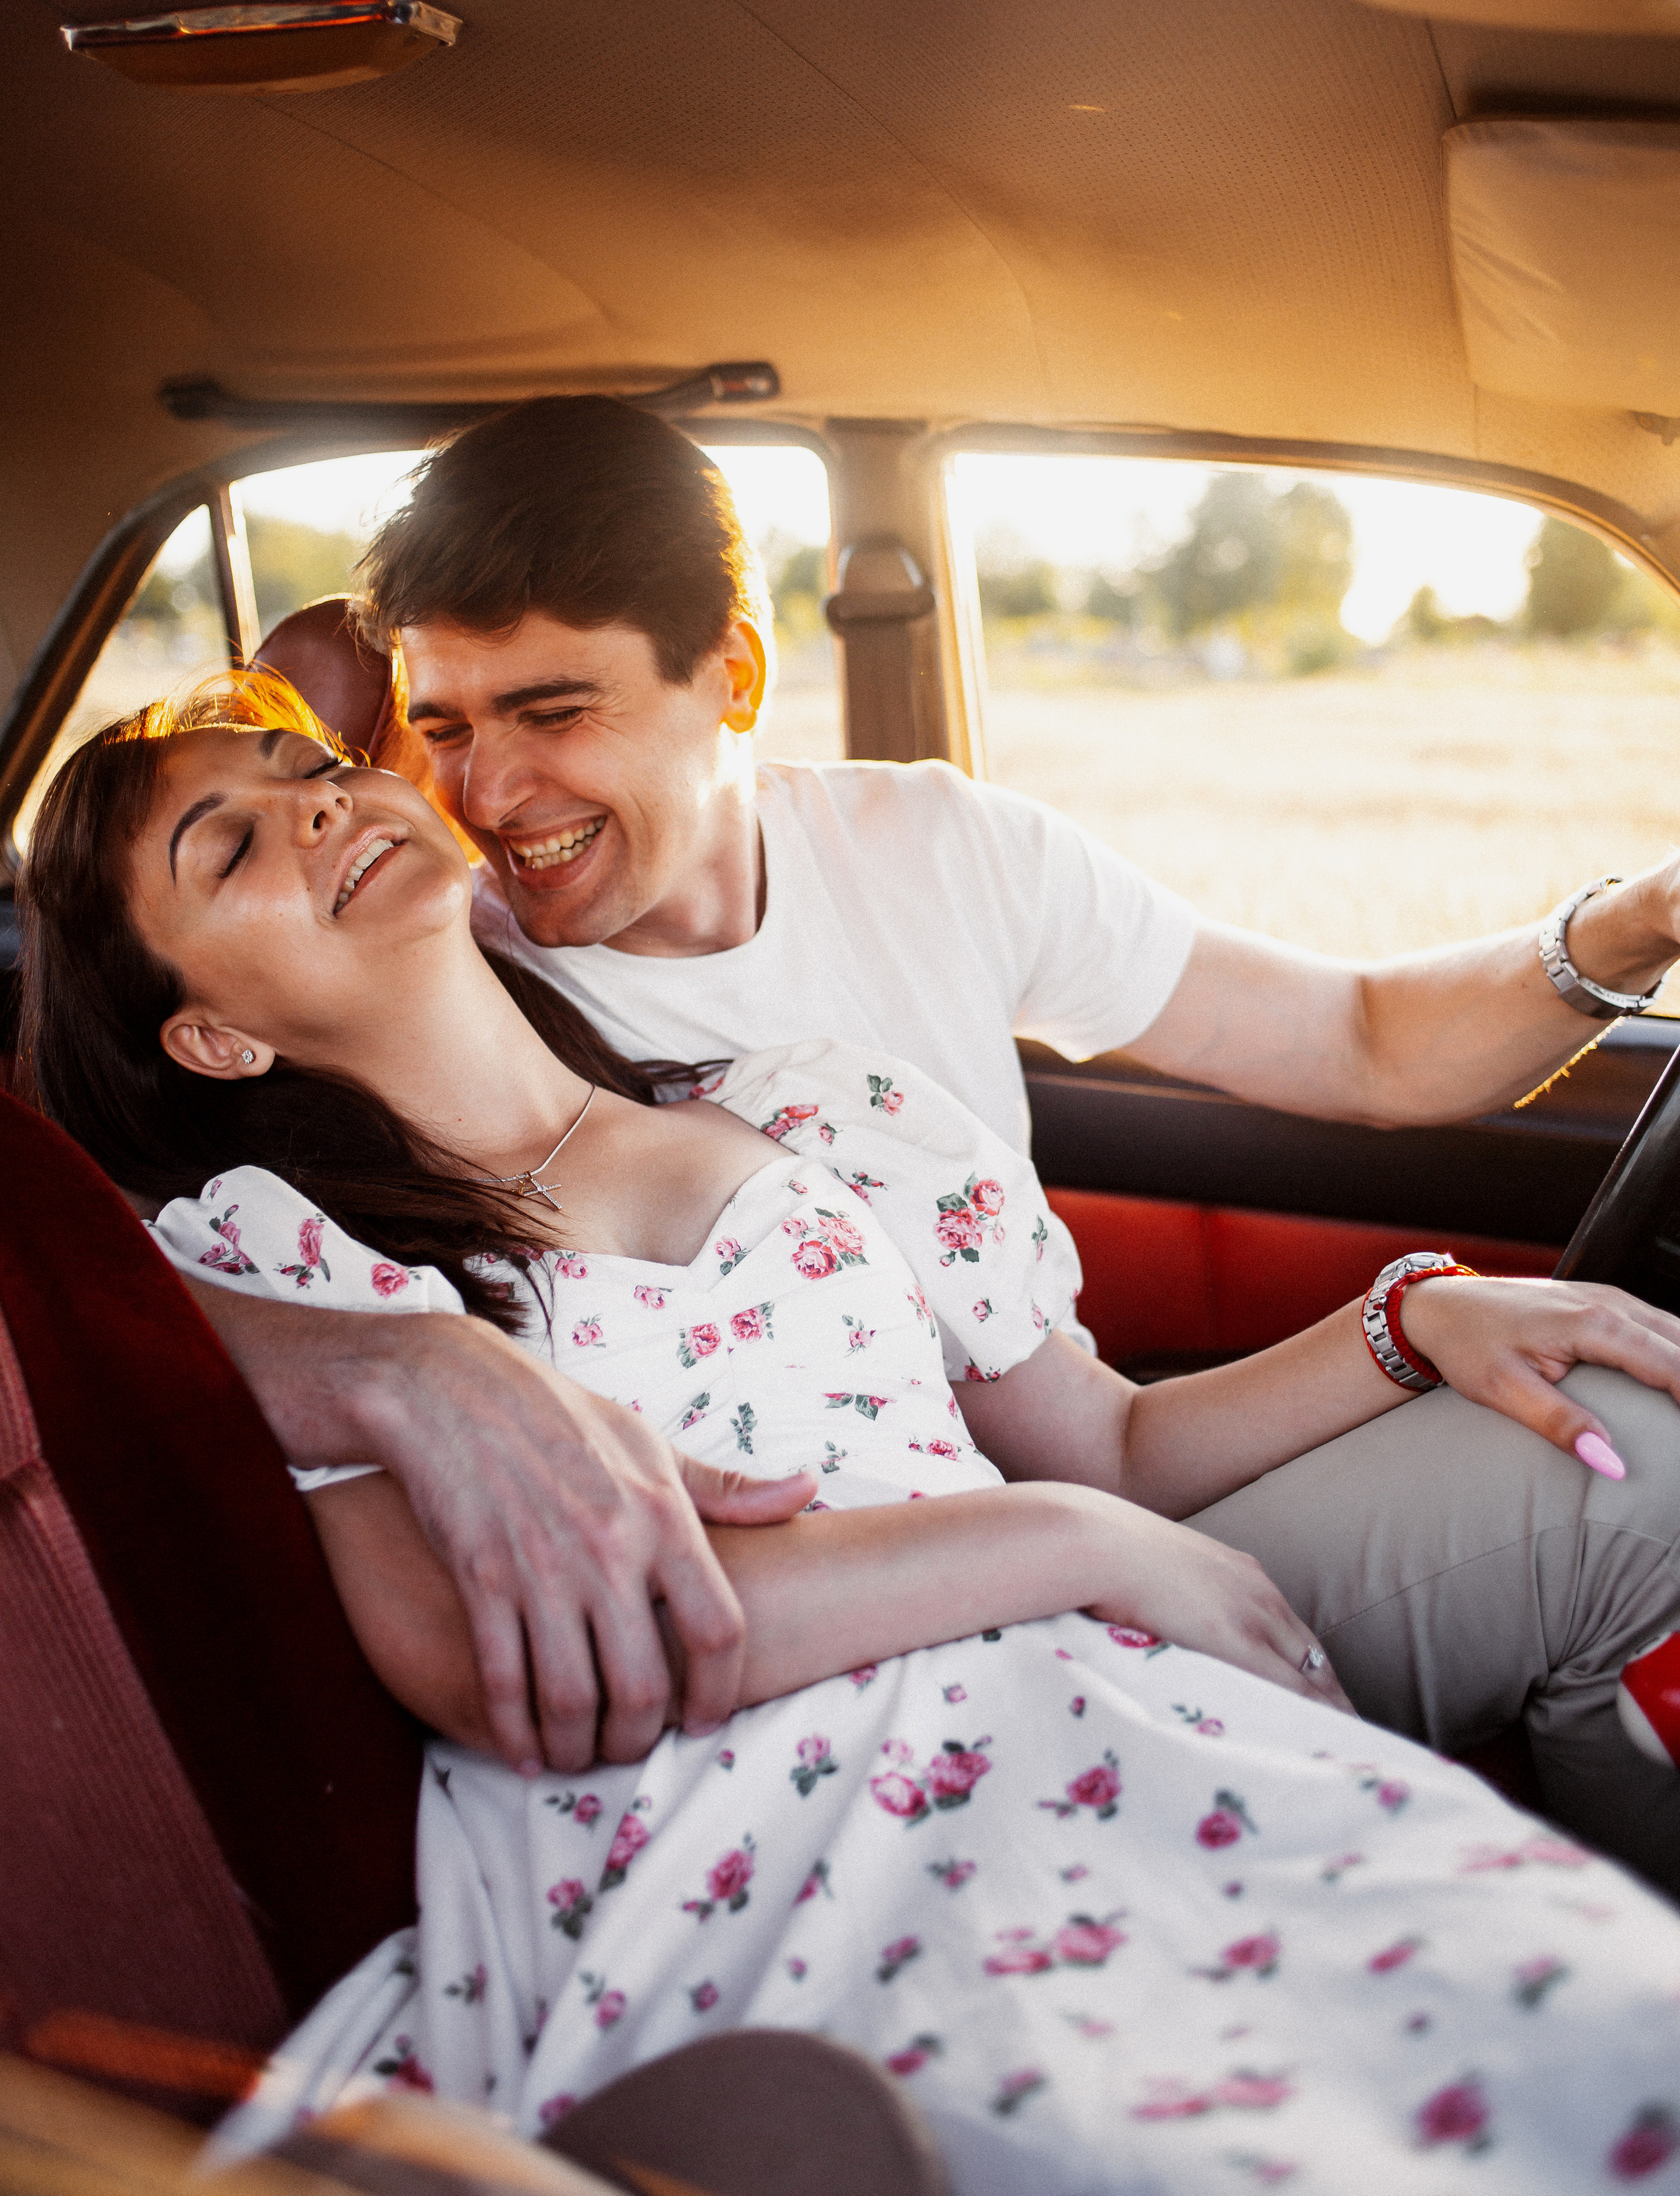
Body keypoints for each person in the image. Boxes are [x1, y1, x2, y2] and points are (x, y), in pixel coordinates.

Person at [17, 685, 1680, 2194]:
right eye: (227, 838)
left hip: (1085, 1705)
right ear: (214, 1039)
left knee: (1574, 2012)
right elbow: (493, 1655)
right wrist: (1066, 1549)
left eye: (316, 769)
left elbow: (1097, 1444)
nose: (316, 805)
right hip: (730, 1836)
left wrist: (1406, 1319)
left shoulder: (822, 1108)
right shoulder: (278, 1269)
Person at [156, 398, 1680, 1887]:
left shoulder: (935, 853)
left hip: (1069, 1511)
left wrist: (1639, 923)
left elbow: (1356, 1039)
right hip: (836, 1673)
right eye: (440, 730)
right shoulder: (421, 980)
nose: (487, 796)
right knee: (1644, 1474)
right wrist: (399, 1373)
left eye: (555, 713)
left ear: (731, 675)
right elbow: (112, 1261)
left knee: (1628, 1436)